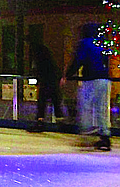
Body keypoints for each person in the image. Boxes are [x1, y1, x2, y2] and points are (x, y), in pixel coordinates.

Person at [62, 22, 111, 151]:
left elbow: (79, 60)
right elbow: (105, 60)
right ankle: (105, 137)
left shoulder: (84, 43)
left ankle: (87, 134)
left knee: (85, 106)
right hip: (105, 79)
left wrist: (67, 75)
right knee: (101, 109)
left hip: (91, 79)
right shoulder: (102, 43)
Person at [29, 40, 63, 133]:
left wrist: (37, 79)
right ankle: (60, 123)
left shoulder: (40, 61)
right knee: (56, 102)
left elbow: (38, 71)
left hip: (45, 82)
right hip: (53, 82)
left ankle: (40, 122)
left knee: (42, 102)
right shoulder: (51, 63)